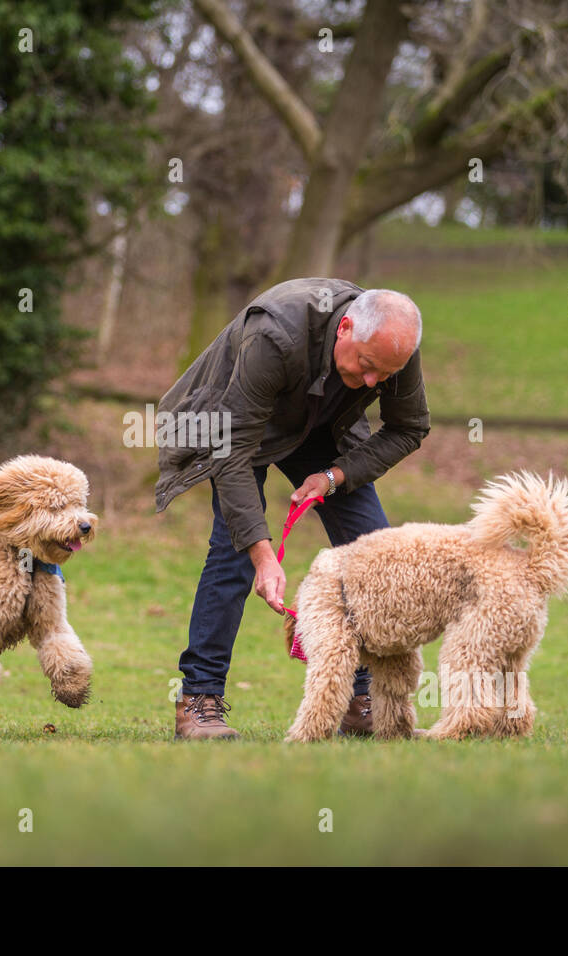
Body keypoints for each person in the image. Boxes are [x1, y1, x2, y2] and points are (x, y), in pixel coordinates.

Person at [155, 278, 431, 739]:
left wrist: (333, 476)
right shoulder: (274, 335)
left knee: (375, 560)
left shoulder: (393, 348)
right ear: (345, 328)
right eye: (366, 366)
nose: (372, 382)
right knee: (233, 555)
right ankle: (198, 701)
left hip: (323, 433)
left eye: (383, 375)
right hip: (238, 430)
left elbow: (409, 427)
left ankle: (360, 702)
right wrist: (264, 556)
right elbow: (232, 448)